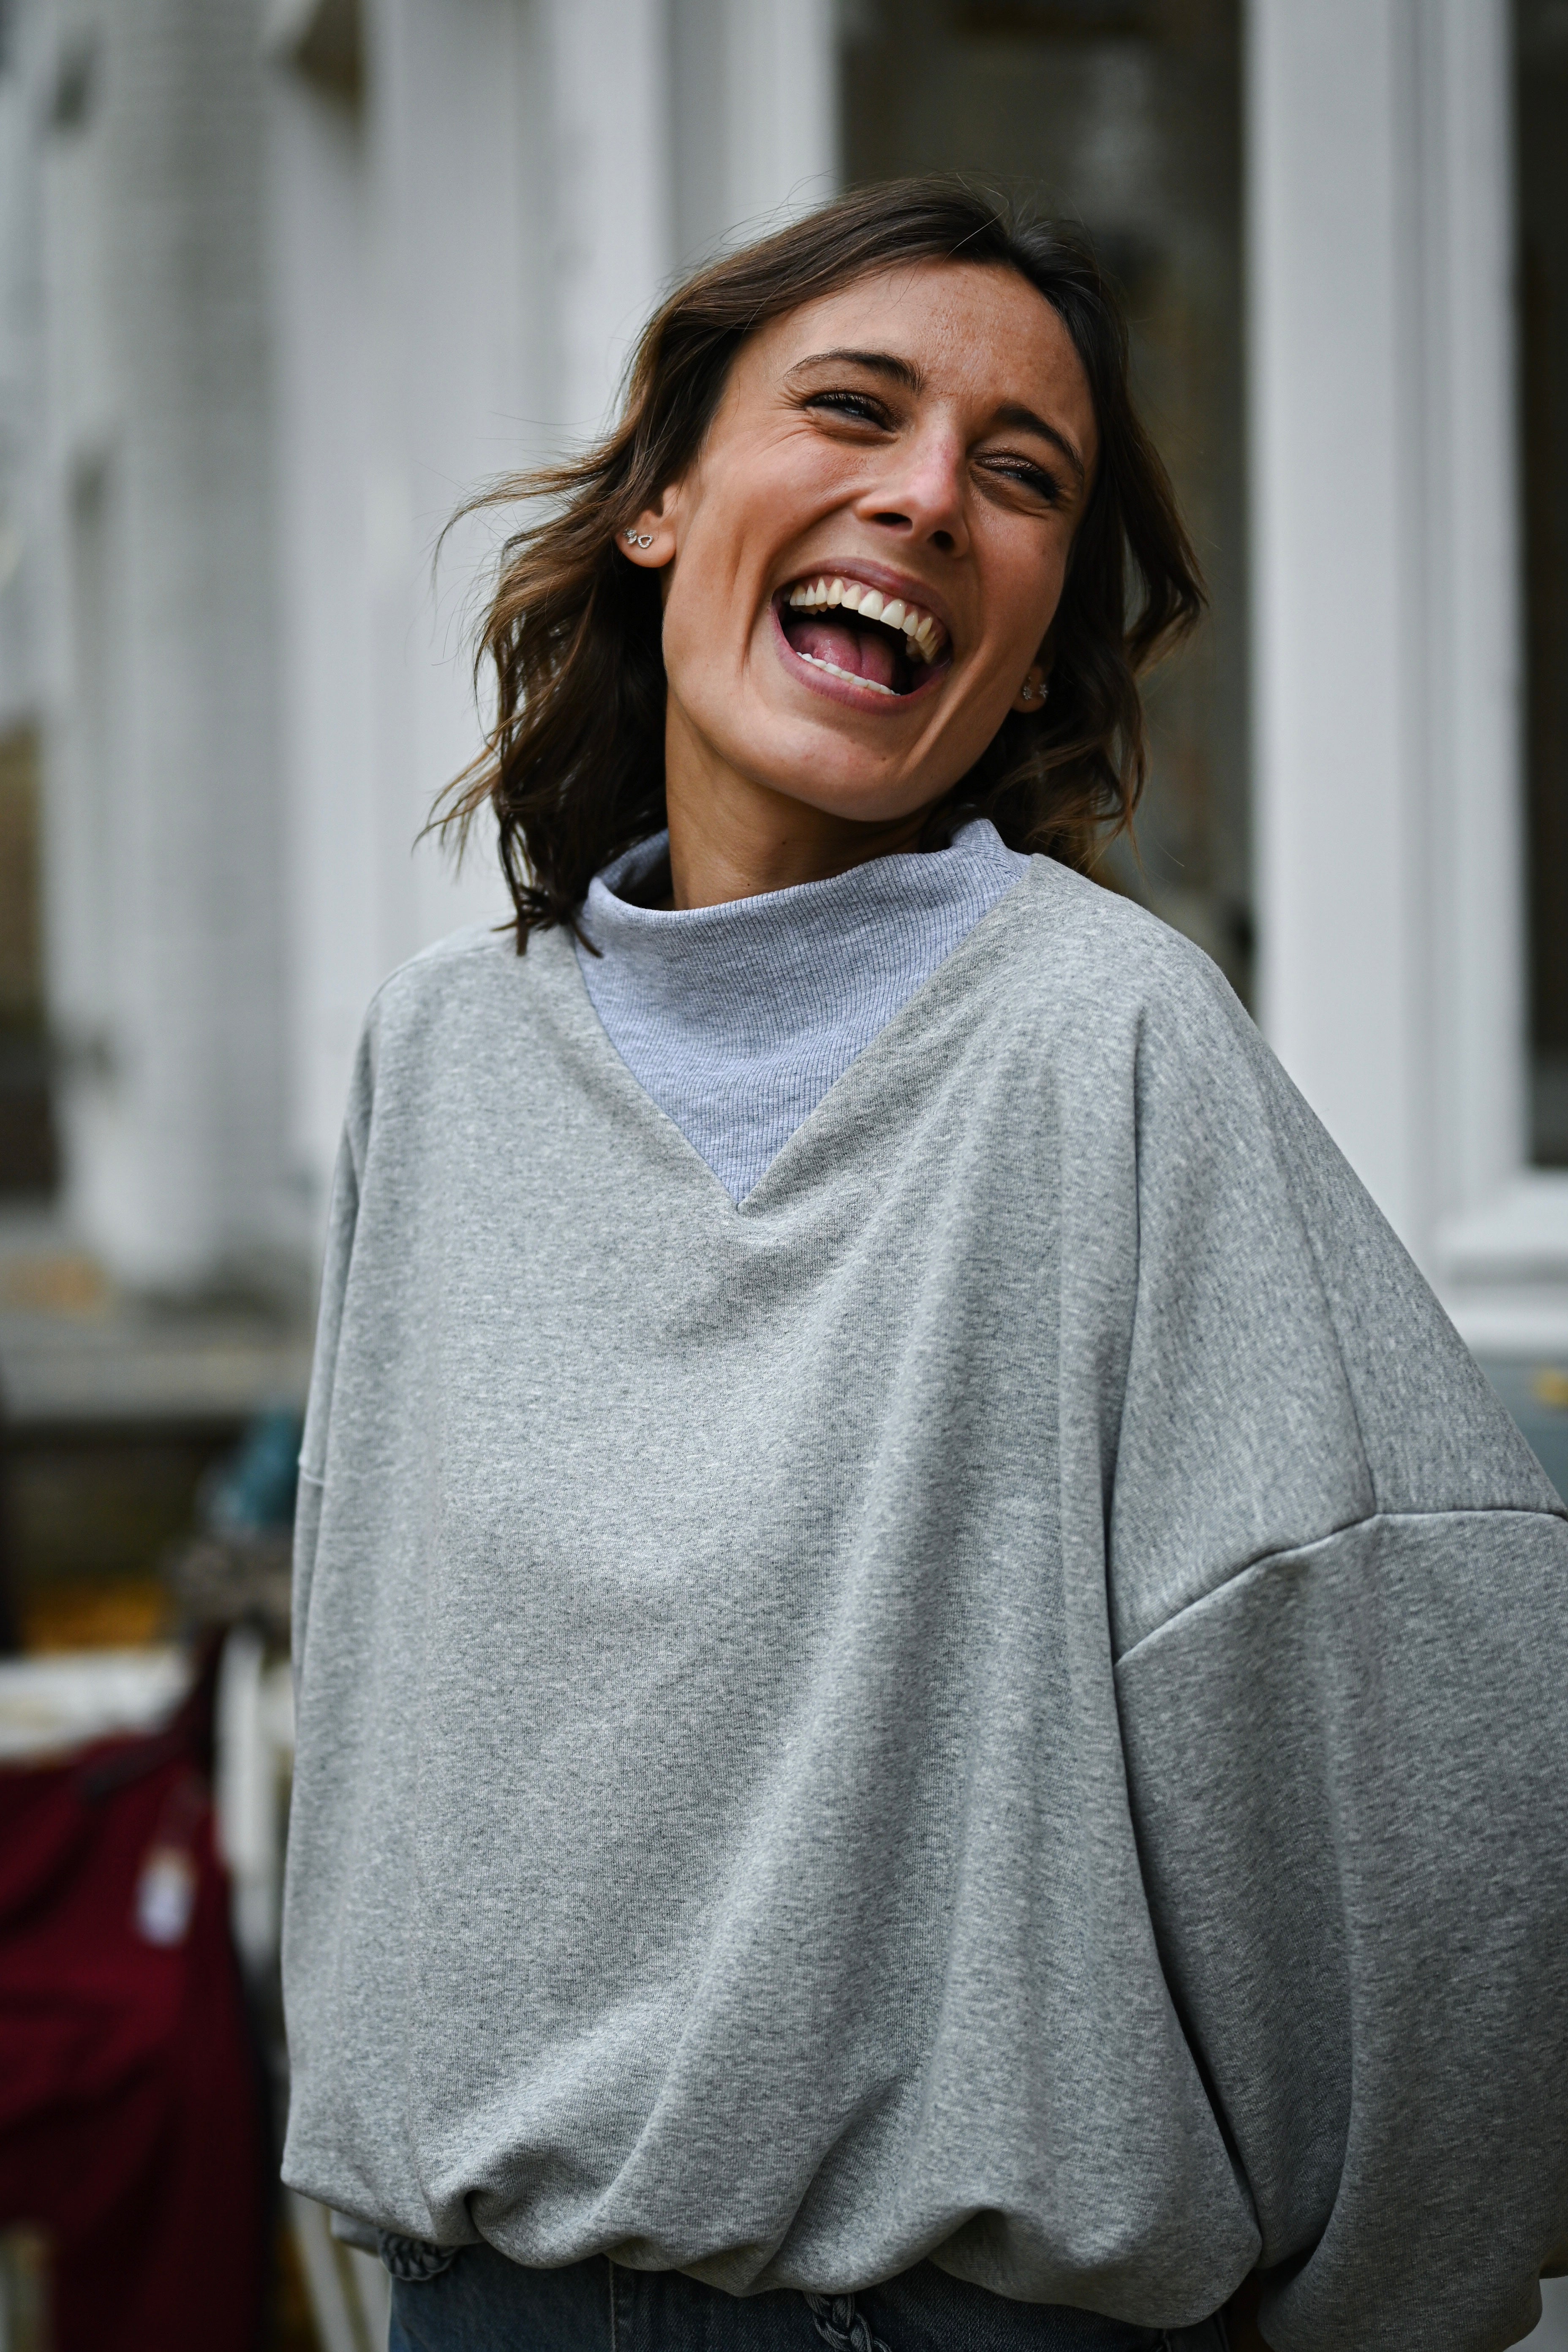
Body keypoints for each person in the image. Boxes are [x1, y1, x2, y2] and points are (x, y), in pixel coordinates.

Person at [279, 181, 1568, 2352]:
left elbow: (1435, 1699)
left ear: (1044, 634)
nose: (926, 497)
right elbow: (382, 1707)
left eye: (1021, 474)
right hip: (481, 2307)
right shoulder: (446, 1057)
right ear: (662, 502)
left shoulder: (1105, 1044)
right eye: (853, 409)